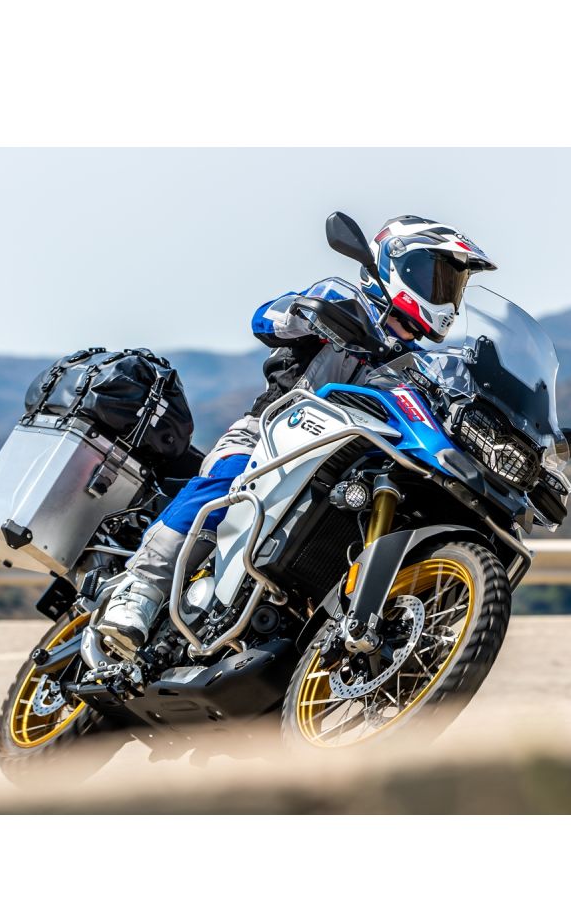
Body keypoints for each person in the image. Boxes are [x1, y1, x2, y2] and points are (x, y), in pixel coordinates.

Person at [97, 215, 497, 651]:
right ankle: (138, 590)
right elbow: (265, 320)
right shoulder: (342, 301)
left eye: (453, 285)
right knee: (228, 483)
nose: (446, 294)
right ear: (397, 265)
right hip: (268, 438)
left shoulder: (423, 364)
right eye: (437, 277)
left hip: (343, 465)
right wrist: (309, 313)